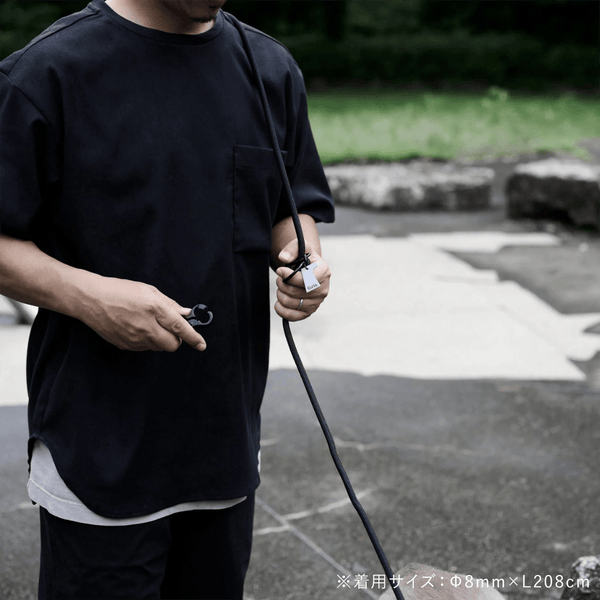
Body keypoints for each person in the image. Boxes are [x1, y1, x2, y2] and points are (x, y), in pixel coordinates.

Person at [0, 0, 334, 598]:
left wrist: (303, 260)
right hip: (97, 453)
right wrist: (91, 297)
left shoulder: (270, 67)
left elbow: (291, 207)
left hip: (226, 446)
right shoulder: (46, 73)